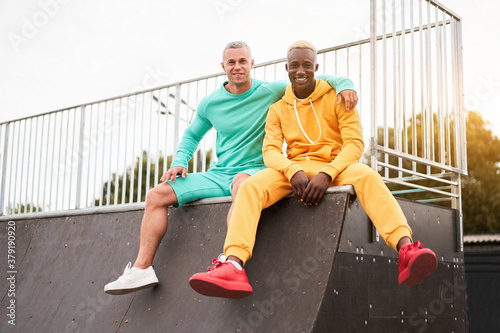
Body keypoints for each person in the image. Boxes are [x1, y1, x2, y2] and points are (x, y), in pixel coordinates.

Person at [104, 41, 358, 295]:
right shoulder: (210, 103)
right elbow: (192, 135)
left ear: (252, 64)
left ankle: (230, 263)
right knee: (157, 194)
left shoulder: (270, 90)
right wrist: (179, 162)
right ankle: (141, 269)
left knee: (242, 184)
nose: (238, 67)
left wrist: (345, 84)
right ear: (223, 66)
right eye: (232, 62)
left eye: (243, 61)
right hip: (218, 173)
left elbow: (312, 78)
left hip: (256, 169)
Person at [188, 40, 438, 299]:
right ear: (286, 69)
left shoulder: (339, 98)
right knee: (250, 186)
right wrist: (291, 170)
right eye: (294, 65)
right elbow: (271, 151)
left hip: (334, 166)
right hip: (294, 168)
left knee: (368, 176)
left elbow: (354, 144)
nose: (300, 71)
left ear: (316, 67)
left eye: (307, 65)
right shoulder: (277, 109)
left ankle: (406, 250)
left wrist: (327, 173)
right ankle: (234, 265)